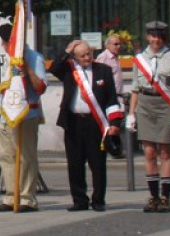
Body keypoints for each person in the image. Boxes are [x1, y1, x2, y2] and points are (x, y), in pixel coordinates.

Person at [51, 39, 123, 211]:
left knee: (98, 163)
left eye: (88, 54)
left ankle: (98, 200)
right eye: (82, 56)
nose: (87, 58)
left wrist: (114, 122)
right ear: (75, 57)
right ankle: (79, 200)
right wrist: (67, 49)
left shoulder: (103, 71)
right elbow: (53, 68)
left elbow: (112, 98)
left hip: (95, 123)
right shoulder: (69, 69)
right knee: (75, 163)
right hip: (74, 122)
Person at [126, 21, 170, 213]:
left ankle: (165, 197)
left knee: (165, 152)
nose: (155, 40)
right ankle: (153, 196)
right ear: (148, 37)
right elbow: (135, 88)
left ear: (163, 38)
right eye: (152, 36)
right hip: (145, 104)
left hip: (164, 105)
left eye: (159, 37)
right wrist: (131, 114)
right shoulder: (140, 59)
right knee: (149, 152)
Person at [0, 23, 46, 212]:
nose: (5, 46)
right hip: (6, 114)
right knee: (7, 156)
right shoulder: (7, 59)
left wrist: (27, 70)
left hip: (27, 114)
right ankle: (11, 195)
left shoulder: (34, 57)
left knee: (26, 156)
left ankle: (26, 197)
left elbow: (40, 87)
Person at [95, 33, 126, 99]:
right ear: (108, 45)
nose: (119, 46)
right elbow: (99, 79)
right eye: (116, 44)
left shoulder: (115, 57)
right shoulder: (103, 57)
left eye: (119, 44)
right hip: (108, 97)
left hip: (118, 96)